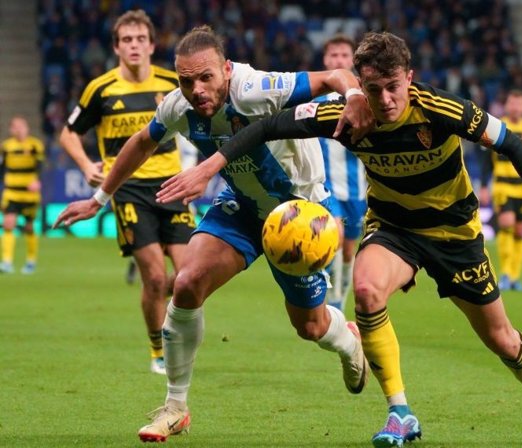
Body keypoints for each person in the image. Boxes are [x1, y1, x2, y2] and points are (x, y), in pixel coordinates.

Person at [158, 32, 522, 447]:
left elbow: (513, 144)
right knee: (366, 292)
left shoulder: (442, 109)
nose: (384, 100)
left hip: (454, 234)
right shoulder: (348, 114)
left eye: (393, 87)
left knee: (502, 339)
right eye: (372, 89)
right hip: (394, 229)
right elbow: (265, 128)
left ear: (408, 77)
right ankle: (399, 411)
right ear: (361, 85)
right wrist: (210, 166)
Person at [54, 25, 375, 442]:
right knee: (186, 284)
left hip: (297, 213)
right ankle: (175, 407)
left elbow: (333, 77)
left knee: (311, 327)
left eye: (206, 77)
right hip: (242, 206)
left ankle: (348, 342)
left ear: (226, 70)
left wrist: (353, 96)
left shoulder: (257, 87)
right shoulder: (176, 105)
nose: (197, 89)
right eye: (186, 81)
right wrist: (99, 199)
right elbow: (141, 142)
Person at [58, 10, 195, 375]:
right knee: (152, 275)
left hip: (173, 186)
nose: (134, 46)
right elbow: (69, 133)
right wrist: (87, 166)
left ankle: (167, 320)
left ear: (152, 45)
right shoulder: (100, 89)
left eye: (140, 39)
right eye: (126, 40)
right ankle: (158, 350)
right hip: (129, 189)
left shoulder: (173, 83)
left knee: (189, 277)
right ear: (116, 47)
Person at [315, 34, 368, 311]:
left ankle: (338, 302)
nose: (339, 60)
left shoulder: (365, 98)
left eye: (344, 55)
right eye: (334, 55)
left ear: (353, 60)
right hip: (325, 186)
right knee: (333, 237)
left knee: (349, 251)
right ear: (325, 60)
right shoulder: (316, 97)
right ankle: (328, 301)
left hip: (356, 189)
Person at [479, 89, 522, 292]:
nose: (515, 107)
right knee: (506, 224)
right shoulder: (496, 126)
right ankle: (505, 273)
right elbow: (486, 160)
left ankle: (515, 276)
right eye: (512, 103)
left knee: (520, 232)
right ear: (506, 105)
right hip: (503, 186)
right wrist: (483, 186)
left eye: (519, 104)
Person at [0, 116, 45, 274]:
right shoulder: (6, 147)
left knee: (29, 227)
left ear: (27, 128)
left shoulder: (34, 145)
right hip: (11, 192)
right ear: (11, 130)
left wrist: (37, 181)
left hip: (29, 194)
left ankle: (31, 261)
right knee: (8, 224)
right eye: (15, 127)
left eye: (21, 126)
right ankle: (6, 261)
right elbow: (2, 169)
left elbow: (40, 166)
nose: (19, 130)